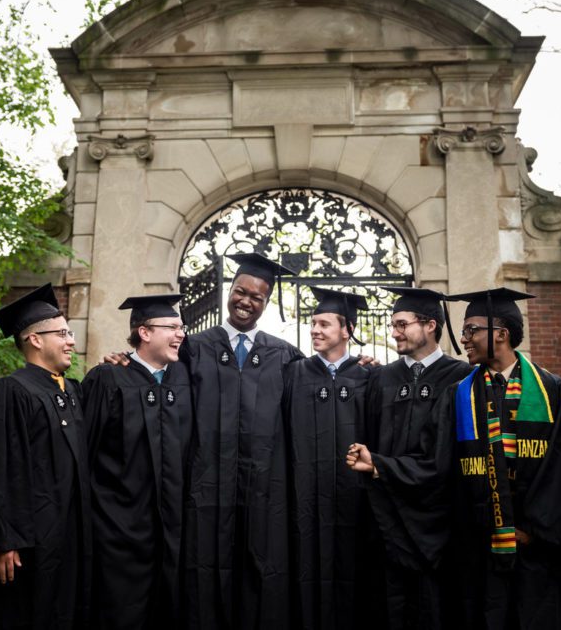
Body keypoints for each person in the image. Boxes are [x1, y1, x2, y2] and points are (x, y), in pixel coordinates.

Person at [446, 287, 561, 629]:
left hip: (540, 556)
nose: (464, 339)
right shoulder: (458, 396)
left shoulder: (553, 392)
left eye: (471, 330)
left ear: (501, 333)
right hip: (478, 556)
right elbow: (446, 469)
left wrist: (533, 531)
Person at [0, 284, 91, 629]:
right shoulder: (12, 391)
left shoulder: (70, 393)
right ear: (35, 340)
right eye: (63, 333)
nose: (71, 340)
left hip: (64, 537)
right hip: (25, 546)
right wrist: (1, 539)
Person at [180, 252, 304, 630]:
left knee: (260, 568)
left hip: (263, 486)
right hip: (207, 482)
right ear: (228, 292)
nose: (246, 301)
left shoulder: (284, 354)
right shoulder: (194, 347)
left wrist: (359, 368)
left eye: (257, 297)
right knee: (204, 567)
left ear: (267, 303)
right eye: (240, 291)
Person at [345, 286, 472, 630]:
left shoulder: (460, 378)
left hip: (439, 518)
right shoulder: (381, 378)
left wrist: (382, 466)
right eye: (393, 325)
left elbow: (453, 455)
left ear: (429, 325)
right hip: (388, 516)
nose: (394, 332)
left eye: (402, 324)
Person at [82, 294, 191, 630]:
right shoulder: (107, 379)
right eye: (172, 327)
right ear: (144, 332)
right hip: (119, 529)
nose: (181, 334)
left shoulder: (184, 379)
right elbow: (84, 453)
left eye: (182, 326)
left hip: (171, 529)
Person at [283, 286, 374, 630]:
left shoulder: (369, 376)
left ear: (347, 329)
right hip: (305, 497)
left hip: (356, 498)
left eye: (324, 324)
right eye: (313, 323)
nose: (315, 330)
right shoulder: (294, 373)